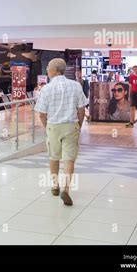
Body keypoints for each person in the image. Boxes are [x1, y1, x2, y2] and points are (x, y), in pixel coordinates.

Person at [35, 58, 88, 206]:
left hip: (53, 126)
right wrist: (79, 124)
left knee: (54, 157)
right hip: (71, 125)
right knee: (69, 159)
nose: (47, 70)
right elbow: (81, 108)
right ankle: (66, 188)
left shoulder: (46, 88)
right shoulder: (76, 86)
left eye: (48, 68)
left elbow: (41, 113)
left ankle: (54, 186)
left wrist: (47, 127)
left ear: (53, 71)